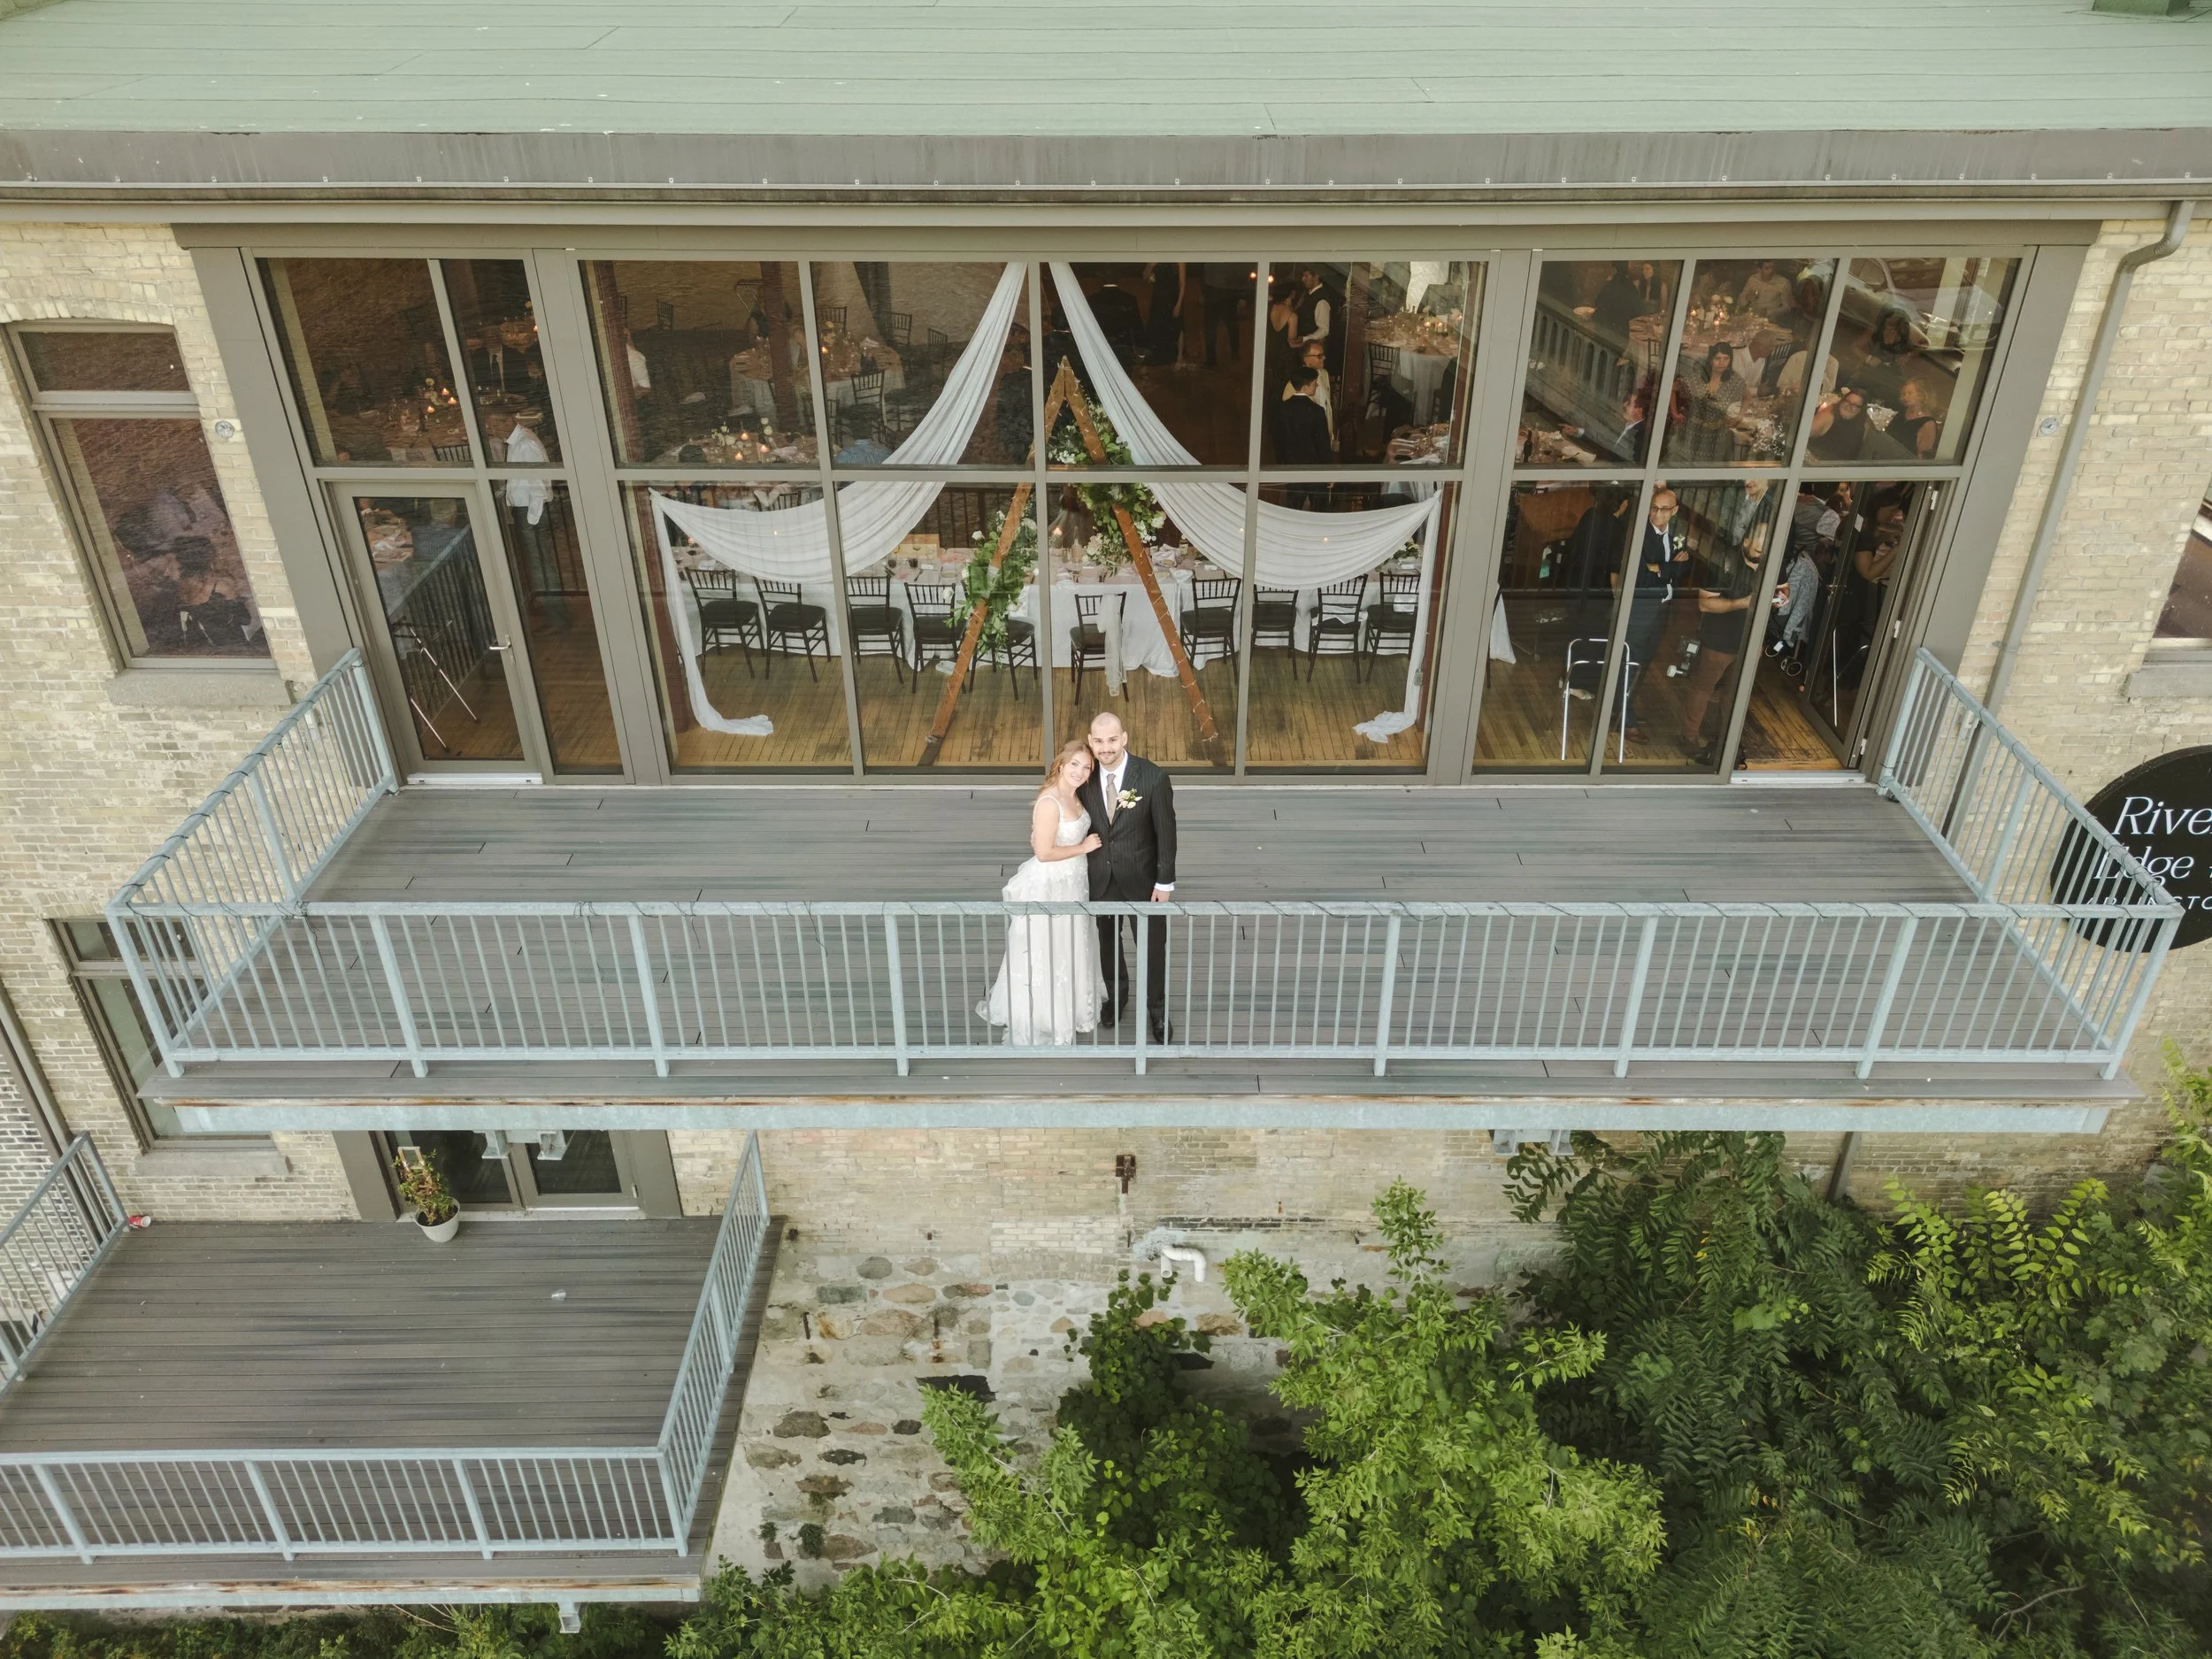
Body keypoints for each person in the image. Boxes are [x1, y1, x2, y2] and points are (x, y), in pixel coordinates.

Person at [979, 741, 1108, 1045]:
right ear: (1061, 764)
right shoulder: (1050, 801)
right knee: (1048, 946)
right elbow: (1045, 854)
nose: (1080, 771)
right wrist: (1084, 847)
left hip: (1075, 882)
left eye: (1086, 767)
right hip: (1053, 884)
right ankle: (1044, 1015)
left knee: (1072, 940)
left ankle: (1074, 1005)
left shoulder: (1074, 795)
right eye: (1075, 764)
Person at [1075, 712, 1178, 1043]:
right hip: (1101, 877)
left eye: (1113, 740)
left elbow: (1166, 833)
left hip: (1144, 881)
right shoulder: (1084, 778)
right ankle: (1117, 996)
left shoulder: (1151, 777)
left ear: (1125, 738)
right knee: (1107, 941)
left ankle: (1157, 1009)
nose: (1106, 748)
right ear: (1091, 741)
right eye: (1099, 741)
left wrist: (1164, 883)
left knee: (1151, 946)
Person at [1681, 516, 1771, 765]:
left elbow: (1780, 591)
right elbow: (1704, 603)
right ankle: (1688, 738)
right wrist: (1740, 603)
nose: (1764, 548)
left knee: (1735, 693)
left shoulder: (1770, 565)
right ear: (1746, 540)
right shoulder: (1723, 562)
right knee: (1703, 688)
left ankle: (1724, 739)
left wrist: (1781, 598)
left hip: (1749, 642)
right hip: (1719, 640)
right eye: (1760, 541)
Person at [1617, 487, 1691, 737]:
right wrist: (1670, 568)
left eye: (1663, 509)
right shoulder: (1640, 534)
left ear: (1674, 511)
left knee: (1645, 661)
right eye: (1654, 507)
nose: (1657, 513)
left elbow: (1685, 565)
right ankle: (1624, 718)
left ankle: (1624, 709)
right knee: (1629, 661)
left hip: (1663, 608)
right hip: (1640, 608)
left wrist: (1660, 568)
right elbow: (1640, 576)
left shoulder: (1678, 532)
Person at [1670, 342, 1750, 464]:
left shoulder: (1734, 380)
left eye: (1726, 358)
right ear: (1711, 359)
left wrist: (1739, 416)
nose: (1722, 363)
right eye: (1717, 358)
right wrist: (1674, 413)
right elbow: (1672, 388)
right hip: (1691, 433)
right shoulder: (1697, 377)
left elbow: (1747, 397)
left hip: (1718, 437)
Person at [1272, 364, 1334, 465]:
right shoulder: (1317, 411)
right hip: (1311, 465)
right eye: (1315, 384)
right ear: (1306, 387)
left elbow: (1278, 439)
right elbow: (1323, 445)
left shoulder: (1282, 408)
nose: (1317, 386)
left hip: (1287, 463)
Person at [1202, 264, 1249, 367]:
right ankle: (1211, 359)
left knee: (1231, 325)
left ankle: (1234, 352)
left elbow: (1241, 273)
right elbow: (1205, 272)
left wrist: (1242, 295)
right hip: (1214, 293)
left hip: (1227, 294)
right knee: (1211, 328)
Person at [1808, 387, 1872, 461]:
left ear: (1861, 410)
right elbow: (1802, 436)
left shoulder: (1862, 425)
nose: (1849, 406)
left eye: (1854, 405)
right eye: (1847, 401)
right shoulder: (1829, 415)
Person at [1143, 262, 1187, 368]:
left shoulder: (1179, 260)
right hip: (1159, 298)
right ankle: (1157, 357)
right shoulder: (1156, 258)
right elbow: (1146, 277)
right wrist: (1151, 266)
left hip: (1173, 298)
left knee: (1177, 325)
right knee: (1156, 325)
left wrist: (1179, 304)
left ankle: (1179, 357)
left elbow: (1182, 283)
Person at [1736, 260, 1793, 324]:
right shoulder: (1752, 280)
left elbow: (1787, 307)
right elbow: (1739, 302)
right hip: (1749, 319)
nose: (1771, 271)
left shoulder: (1784, 283)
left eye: (1772, 268)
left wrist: (1768, 312)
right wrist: (1747, 298)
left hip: (1769, 322)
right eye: (1767, 268)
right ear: (1759, 270)